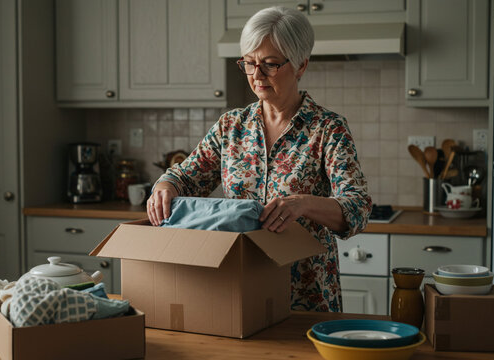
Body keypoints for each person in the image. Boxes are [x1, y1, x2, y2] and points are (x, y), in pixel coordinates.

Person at [146, 6, 371, 312]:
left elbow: (357, 207)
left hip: (305, 296)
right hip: (238, 287)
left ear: (301, 65)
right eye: (249, 63)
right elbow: (186, 177)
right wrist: (166, 185)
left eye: (270, 64)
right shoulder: (231, 126)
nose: (256, 75)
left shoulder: (327, 129)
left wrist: (303, 203)